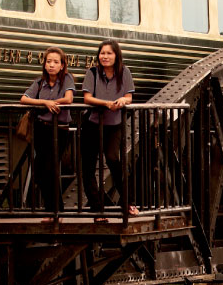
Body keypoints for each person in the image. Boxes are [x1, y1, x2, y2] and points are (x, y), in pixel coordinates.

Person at [80, 40, 137, 217]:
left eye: (109, 53)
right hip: (92, 124)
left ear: (116, 55)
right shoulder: (92, 73)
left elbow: (129, 97)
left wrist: (122, 101)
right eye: (102, 53)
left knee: (113, 158)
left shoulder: (124, 72)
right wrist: (106, 103)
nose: (104, 56)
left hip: (114, 124)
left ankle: (128, 203)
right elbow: (87, 98)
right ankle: (96, 207)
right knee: (88, 166)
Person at [20, 46, 75, 217]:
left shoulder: (67, 79)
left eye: (55, 62)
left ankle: (54, 211)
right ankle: (54, 209)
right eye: (48, 61)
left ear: (62, 65)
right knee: (41, 171)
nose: (51, 65)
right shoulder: (39, 82)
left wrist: (51, 102)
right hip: (42, 130)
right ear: (44, 64)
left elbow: (68, 99)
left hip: (59, 131)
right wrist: (46, 103)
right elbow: (24, 99)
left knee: (50, 168)